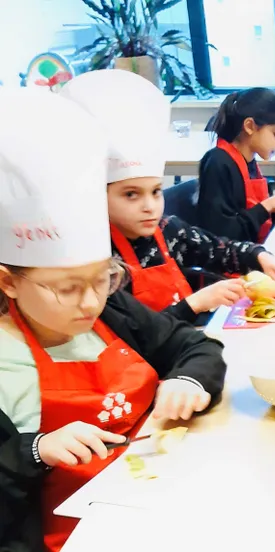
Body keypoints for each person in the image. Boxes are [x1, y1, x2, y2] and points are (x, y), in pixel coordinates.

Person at [0, 90, 226, 551]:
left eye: (101, 278)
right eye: (66, 288)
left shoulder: (112, 310)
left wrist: (188, 380)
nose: (89, 303)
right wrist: (36, 451)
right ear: (8, 282)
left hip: (160, 503)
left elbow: (196, 347)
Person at [59, 70, 275, 324]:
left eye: (156, 192)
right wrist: (195, 303)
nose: (149, 207)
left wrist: (259, 256)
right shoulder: (101, 262)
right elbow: (139, 335)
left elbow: (219, 249)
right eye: (130, 195)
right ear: (97, 197)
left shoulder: (167, 230)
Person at [197, 88, 275, 243]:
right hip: (232, 261)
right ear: (249, 126)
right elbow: (220, 235)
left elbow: (253, 217)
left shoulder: (249, 162)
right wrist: (267, 206)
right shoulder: (218, 163)